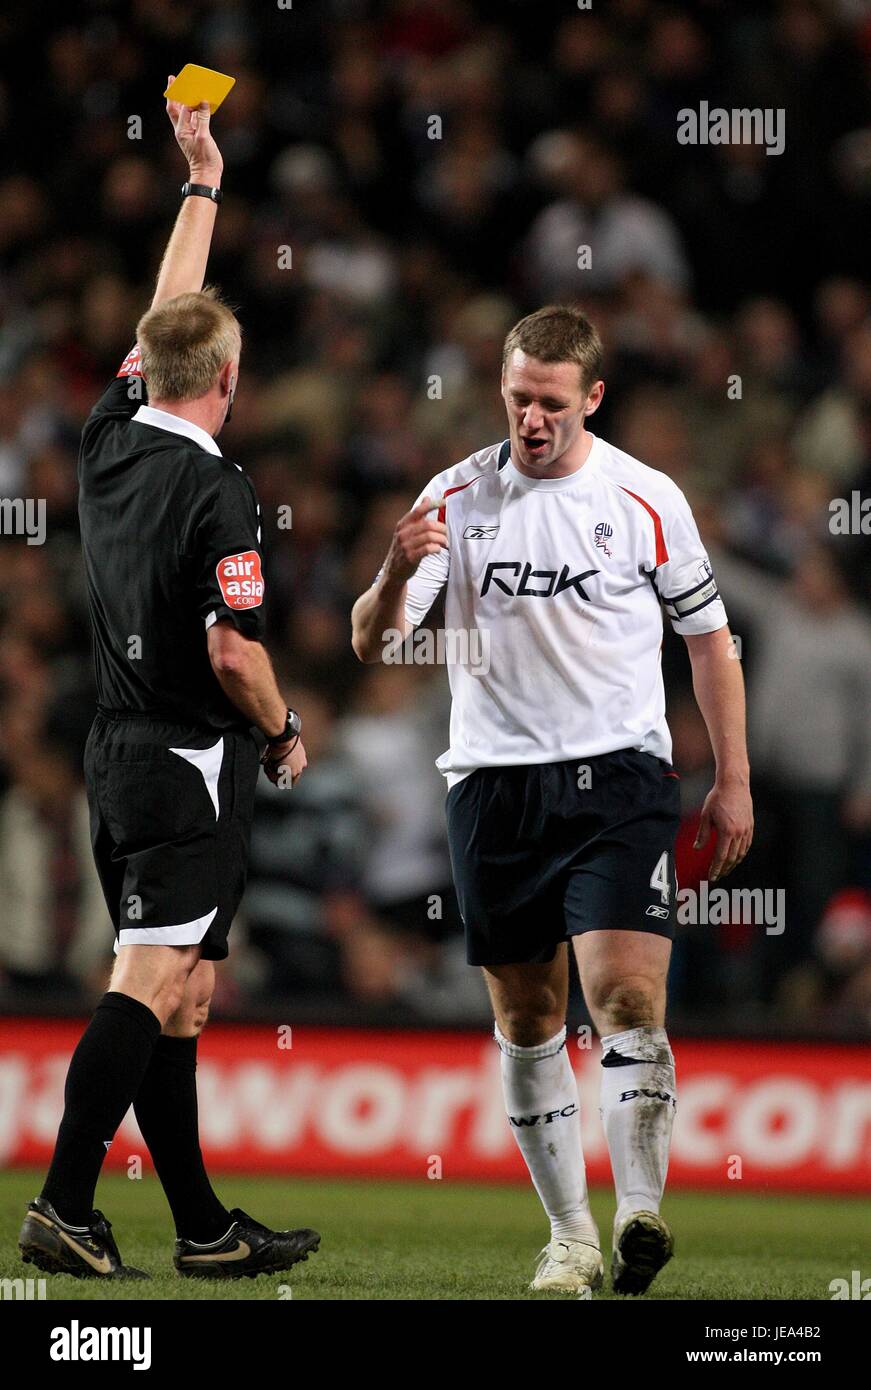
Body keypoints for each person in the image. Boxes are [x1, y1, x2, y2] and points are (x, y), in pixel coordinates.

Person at [351, 304, 753, 1294]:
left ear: (593, 397)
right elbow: (372, 642)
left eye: (553, 403)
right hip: (494, 785)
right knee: (530, 1021)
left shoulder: (645, 497)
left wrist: (732, 778)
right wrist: (398, 564)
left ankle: (641, 1211)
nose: (533, 419)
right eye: (519, 398)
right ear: (503, 388)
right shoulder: (453, 497)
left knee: (625, 998)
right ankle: (568, 1236)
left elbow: (709, 641)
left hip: (619, 777)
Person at [18, 84, 318, 1281]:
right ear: (230, 376)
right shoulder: (220, 490)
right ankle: (61, 1203)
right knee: (148, 985)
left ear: (154, 370)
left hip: (116, 752)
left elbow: (164, 317)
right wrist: (286, 728)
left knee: (182, 993)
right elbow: (233, 649)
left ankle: (199, 1226)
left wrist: (203, 185)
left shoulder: (105, 440)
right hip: (189, 760)